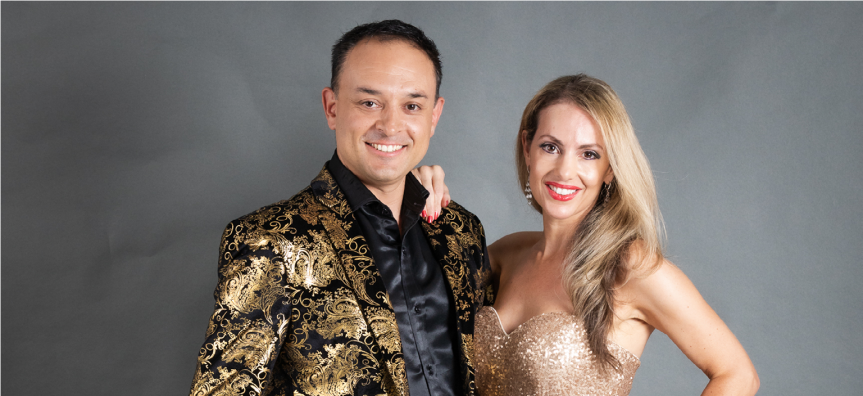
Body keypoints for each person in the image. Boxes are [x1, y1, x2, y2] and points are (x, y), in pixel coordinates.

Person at [189, 20, 494, 396]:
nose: (390, 125)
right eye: (369, 102)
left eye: (412, 105)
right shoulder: (270, 241)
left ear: (434, 116)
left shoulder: (461, 230)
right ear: (332, 108)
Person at [415, 74, 759, 395]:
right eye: (550, 147)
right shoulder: (507, 254)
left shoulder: (630, 266)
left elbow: (737, 374)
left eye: (589, 154)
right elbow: (407, 301)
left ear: (610, 168)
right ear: (527, 148)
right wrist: (412, 190)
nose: (565, 170)